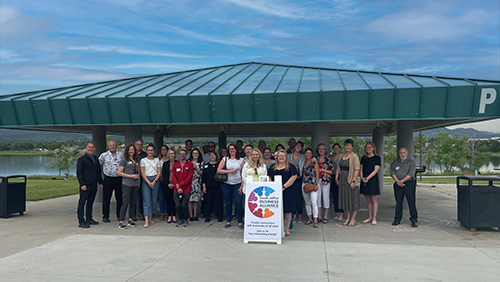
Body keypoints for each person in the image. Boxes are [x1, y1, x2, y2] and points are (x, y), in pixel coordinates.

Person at [267, 149, 298, 236]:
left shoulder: (291, 166)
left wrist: (284, 186)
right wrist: (273, 187)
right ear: (276, 157)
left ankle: (287, 229)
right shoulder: (272, 166)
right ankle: (276, 228)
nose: (281, 157)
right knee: (276, 210)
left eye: (283, 156)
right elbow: (269, 177)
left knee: (288, 210)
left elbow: (294, 176)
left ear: (286, 157)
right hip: (275, 192)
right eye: (279, 156)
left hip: (288, 191)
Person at [217, 144, 245, 229]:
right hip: (227, 185)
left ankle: (240, 221)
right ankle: (228, 221)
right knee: (228, 203)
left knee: (238, 203)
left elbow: (244, 174)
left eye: (233, 149)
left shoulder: (241, 160)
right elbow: (219, 170)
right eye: (230, 149)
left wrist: (242, 186)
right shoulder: (225, 159)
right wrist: (230, 171)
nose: (231, 150)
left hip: (237, 184)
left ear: (236, 150)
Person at [76, 142, 103, 228]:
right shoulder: (82, 159)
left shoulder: (95, 158)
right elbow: (79, 173)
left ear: (94, 148)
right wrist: (82, 184)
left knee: (90, 203)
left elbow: (98, 172)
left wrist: (100, 182)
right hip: (85, 185)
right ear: (86, 148)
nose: (91, 149)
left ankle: (89, 218)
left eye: (92, 147)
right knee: (82, 203)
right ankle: (81, 221)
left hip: (93, 184)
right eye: (89, 147)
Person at [391, 147, 418, 227]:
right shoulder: (395, 162)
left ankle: (414, 220)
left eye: (404, 153)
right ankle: (397, 219)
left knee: (411, 202)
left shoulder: (411, 162)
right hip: (397, 184)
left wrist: (401, 181)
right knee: (398, 202)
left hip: (409, 184)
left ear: (407, 153)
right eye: (401, 153)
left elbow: (411, 174)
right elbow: (392, 172)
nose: (402, 154)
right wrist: (397, 181)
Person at [335, 139, 360, 227]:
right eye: (346, 145)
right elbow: (338, 167)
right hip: (342, 180)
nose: (347, 147)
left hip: (350, 180)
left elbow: (357, 169)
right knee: (346, 200)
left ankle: (353, 219)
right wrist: (336, 177)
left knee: (353, 200)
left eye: (349, 145)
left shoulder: (354, 156)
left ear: (352, 147)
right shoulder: (342, 155)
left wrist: (353, 181)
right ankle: (348, 218)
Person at [98, 140, 123, 223]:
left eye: (114, 145)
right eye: (111, 145)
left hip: (118, 178)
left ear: (116, 146)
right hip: (108, 178)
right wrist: (101, 175)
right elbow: (98, 166)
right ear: (108, 146)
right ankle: (105, 216)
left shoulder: (121, 155)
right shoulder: (104, 155)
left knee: (119, 198)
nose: (112, 147)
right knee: (106, 198)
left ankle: (119, 215)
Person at [117, 144, 140, 229]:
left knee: (133, 203)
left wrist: (139, 182)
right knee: (125, 203)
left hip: (135, 184)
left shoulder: (136, 160)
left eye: (133, 150)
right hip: (127, 184)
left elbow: (138, 172)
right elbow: (119, 172)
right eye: (130, 150)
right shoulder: (124, 160)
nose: (131, 151)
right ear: (127, 151)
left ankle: (131, 219)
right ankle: (121, 221)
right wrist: (131, 176)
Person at [360, 142, 381, 225]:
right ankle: (369, 217)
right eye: (366, 147)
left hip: (372, 180)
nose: (368, 149)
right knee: (368, 200)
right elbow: (361, 169)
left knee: (373, 199)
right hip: (364, 179)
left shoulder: (377, 158)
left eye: (369, 147)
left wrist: (367, 178)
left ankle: (374, 218)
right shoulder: (363, 158)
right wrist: (361, 177)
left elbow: (376, 170)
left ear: (373, 148)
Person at [140, 144, 161, 228]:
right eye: (148, 150)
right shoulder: (143, 160)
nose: (150, 152)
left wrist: (154, 181)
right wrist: (149, 182)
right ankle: (146, 219)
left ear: (154, 151)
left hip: (155, 180)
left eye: (151, 150)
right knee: (146, 200)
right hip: (146, 180)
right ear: (146, 151)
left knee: (153, 199)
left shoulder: (157, 160)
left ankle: (151, 217)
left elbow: (159, 172)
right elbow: (142, 172)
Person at [172, 148, 194, 227]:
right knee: (177, 205)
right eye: (180, 154)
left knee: (184, 205)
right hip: (176, 189)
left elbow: (189, 177)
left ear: (186, 155)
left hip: (186, 189)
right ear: (178, 155)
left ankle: (185, 219)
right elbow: (173, 177)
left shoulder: (190, 165)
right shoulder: (175, 165)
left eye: (183, 154)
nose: (182, 155)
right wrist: (177, 186)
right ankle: (180, 219)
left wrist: (180, 185)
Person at [202, 151, 223, 222]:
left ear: (216, 156)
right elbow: (203, 177)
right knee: (208, 202)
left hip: (217, 186)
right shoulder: (206, 166)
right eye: (211, 155)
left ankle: (219, 215)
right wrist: (204, 186)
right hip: (208, 187)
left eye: (214, 155)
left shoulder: (219, 165)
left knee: (218, 202)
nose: (212, 157)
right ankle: (207, 216)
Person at [302, 148, 320, 228]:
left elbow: (317, 173)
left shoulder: (314, 162)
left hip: (313, 184)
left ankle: (315, 220)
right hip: (305, 184)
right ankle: (309, 219)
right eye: (307, 153)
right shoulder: (303, 162)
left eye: (310, 153)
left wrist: (316, 184)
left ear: (312, 154)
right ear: (305, 154)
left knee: (314, 202)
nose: (308, 154)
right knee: (307, 202)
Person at [316, 143, 334, 223]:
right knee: (318, 198)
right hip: (317, 180)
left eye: (323, 149)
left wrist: (323, 170)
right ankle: (319, 216)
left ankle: (325, 216)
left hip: (325, 180)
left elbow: (332, 171)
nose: (321, 150)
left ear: (325, 150)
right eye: (320, 149)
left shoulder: (328, 160)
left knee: (326, 198)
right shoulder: (315, 159)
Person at [289, 141, 305, 223]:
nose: (298, 147)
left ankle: (300, 215)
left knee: (299, 197)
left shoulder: (303, 156)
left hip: (300, 179)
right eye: (297, 145)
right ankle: (294, 215)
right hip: (291, 179)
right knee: (292, 197)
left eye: (300, 146)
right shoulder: (289, 156)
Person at [161, 149, 177, 223]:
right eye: (170, 154)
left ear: (175, 155)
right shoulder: (165, 164)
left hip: (176, 184)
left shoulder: (178, 163)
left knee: (174, 200)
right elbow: (163, 175)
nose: (171, 155)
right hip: (167, 184)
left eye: (173, 154)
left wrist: (175, 184)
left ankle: (174, 215)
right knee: (168, 200)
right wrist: (168, 183)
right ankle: (169, 216)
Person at [189, 148, 204, 221]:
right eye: (194, 153)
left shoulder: (201, 162)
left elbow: (202, 173)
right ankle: (191, 215)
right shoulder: (188, 162)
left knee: (196, 200)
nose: (195, 155)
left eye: (197, 153)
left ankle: (195, 215)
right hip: (189, 182)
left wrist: (196, 167)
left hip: (197, 182)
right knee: (190, 199)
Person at [330, 143, 344, 221]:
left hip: (340, 176)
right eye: (334, 148)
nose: (336, 149)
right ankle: (337, 213)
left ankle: (341, 213)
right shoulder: (330, 157)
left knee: (340, 196)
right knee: (334, 195)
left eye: (337, 148)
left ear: (340, 149)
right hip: (332, 176)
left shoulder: (342, 157)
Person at [134, 139, 146, 220]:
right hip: (133, 178)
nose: (139, 146)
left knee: (142, 197)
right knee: (133, 197)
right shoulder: (131, 154)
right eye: (137, 144)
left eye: (141, 144)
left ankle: (142, 213)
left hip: (143, 178)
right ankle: (134, 214)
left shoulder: (145, 155)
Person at [157, 145, 169, 221]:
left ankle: (167, 212)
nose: (163, 151)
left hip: (168, 181)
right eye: (162, 149)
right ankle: (162, 213)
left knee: (167, 197)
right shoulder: (158, 160)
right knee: (161, 198)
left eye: (165, 149)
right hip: (160, 180)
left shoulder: (169, 159)